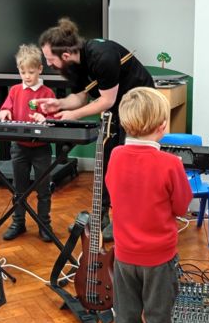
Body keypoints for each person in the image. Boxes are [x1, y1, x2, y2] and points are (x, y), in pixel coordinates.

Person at [105, 87, 193, 323]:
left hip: (124, 257)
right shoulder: (170, 164)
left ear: (125, 123)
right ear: (163, 125)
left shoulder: (115, 155)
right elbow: (181, 207)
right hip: (158, 259)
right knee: (158, 318)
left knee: (127, 316)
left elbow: (115, 194)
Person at [37, 18, 155, 241]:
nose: (48, 63)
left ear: (65, 55)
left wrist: (74, 115)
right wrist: (59, 104)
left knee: (127, 166)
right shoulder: (75, 65)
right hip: (118, 107)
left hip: (141, 106)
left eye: (50, 59)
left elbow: (106, 101)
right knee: (106, 161)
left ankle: (124, 219)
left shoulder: (102, 56)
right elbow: (80, 97)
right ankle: (101, 217)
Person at [0, 44, 56, 242]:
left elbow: (55, 117)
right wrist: (4, 112)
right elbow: (5, 108)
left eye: (31, 72)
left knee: (43, 190)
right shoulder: (14, 91)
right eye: (23, 72)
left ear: (40, 69)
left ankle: (44, 225)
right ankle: (18, 223)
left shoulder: (48, 93)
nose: (27, 76)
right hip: (19, 147)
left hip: (41, 149)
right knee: (19, 189)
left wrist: (45, 118)